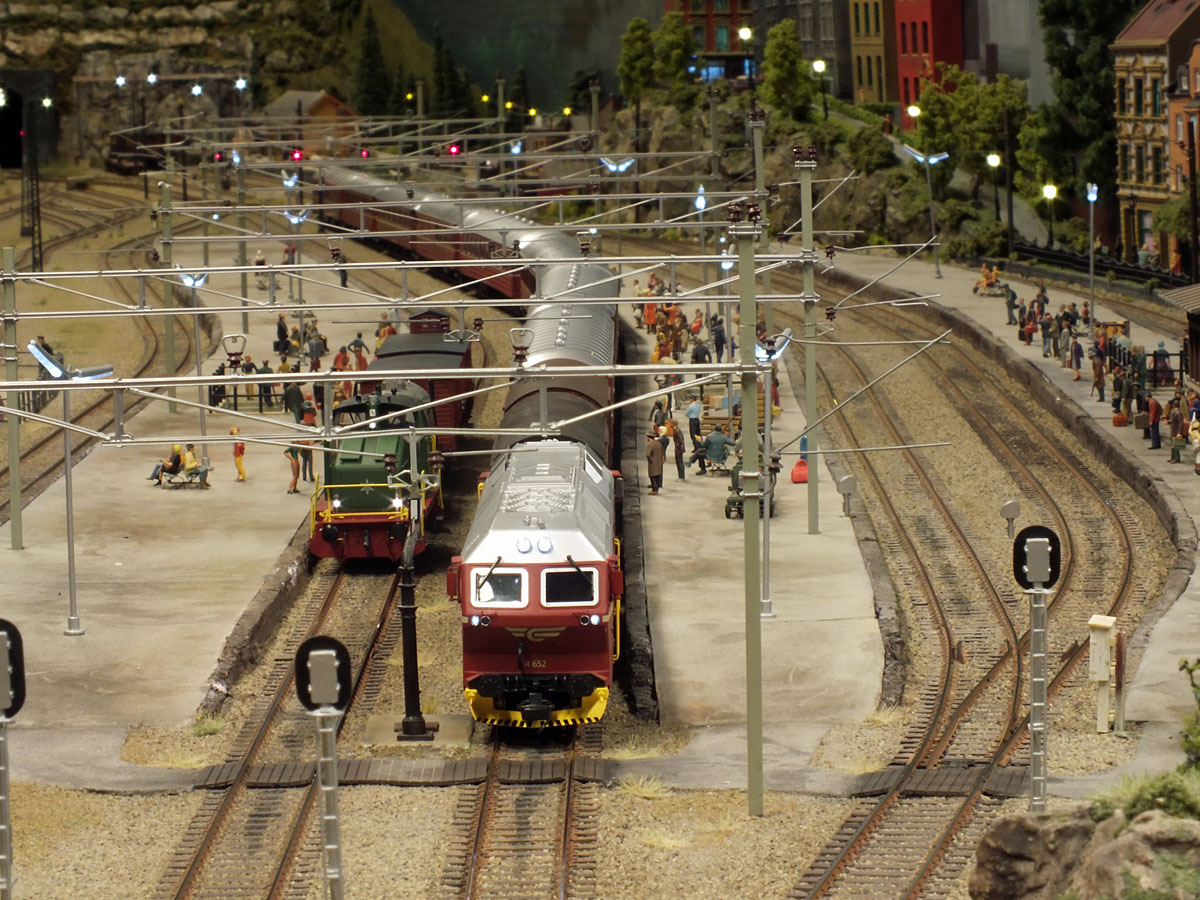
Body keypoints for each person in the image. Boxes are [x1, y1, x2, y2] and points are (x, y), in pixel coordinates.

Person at [645, 429, 665, 495]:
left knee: (652, 476)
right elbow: (662, 452)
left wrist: (650, 460)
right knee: (657, 476)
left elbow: (648, 454)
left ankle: (654, 490)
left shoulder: (650, 444)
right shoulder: (658, 443)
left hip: (653, 463)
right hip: (659, 462)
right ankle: (656, 489)